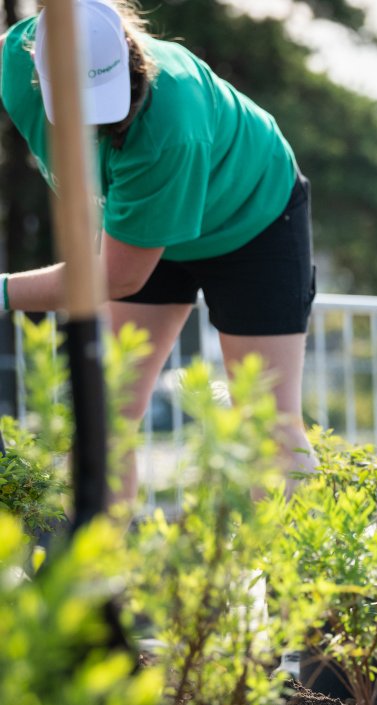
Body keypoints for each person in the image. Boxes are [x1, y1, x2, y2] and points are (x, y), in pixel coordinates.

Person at [0, 0, 317, 501]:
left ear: (129, 57)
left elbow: (119, 276)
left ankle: (298, 556)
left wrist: (2, 291)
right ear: (39, 75)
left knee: (270, 427)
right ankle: (96, 552)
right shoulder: (17, 60)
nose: (102, 123)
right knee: (102, 417)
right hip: (140, 231)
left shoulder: (172, 123)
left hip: (252, 220)